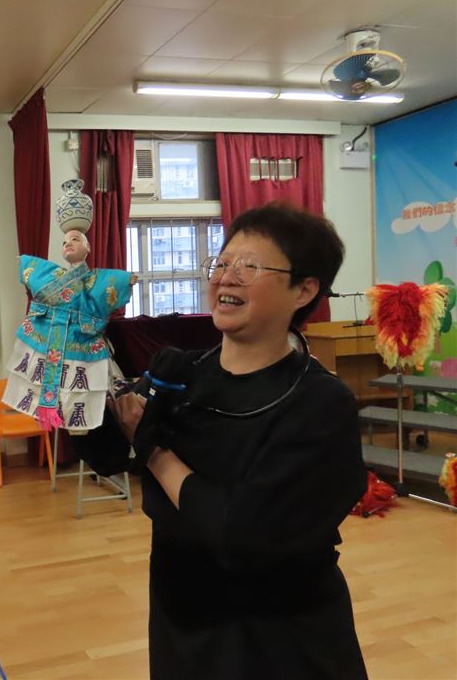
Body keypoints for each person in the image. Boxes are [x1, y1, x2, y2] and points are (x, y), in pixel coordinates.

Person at [113, 203, 368, 680]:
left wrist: (155, 451)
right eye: (222, 262)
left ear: (304, 290)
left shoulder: (320, 403)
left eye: (250, 266)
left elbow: (238, 530)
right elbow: (109, 453)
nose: (226, 277)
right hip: (182, 625)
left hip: (280, 638)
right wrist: (72, 389)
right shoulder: (182, 372)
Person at [3, 228, 134, 431]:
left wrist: (128, 279)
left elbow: (113, 280)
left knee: (78, 395)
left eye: (75, 239)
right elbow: (35, 270)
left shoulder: (95, 280)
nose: (68, 244)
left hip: (80, 345)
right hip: (49, 340)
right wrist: (25, 261)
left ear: (88, 247)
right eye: (64, 242)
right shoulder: (53, 275)